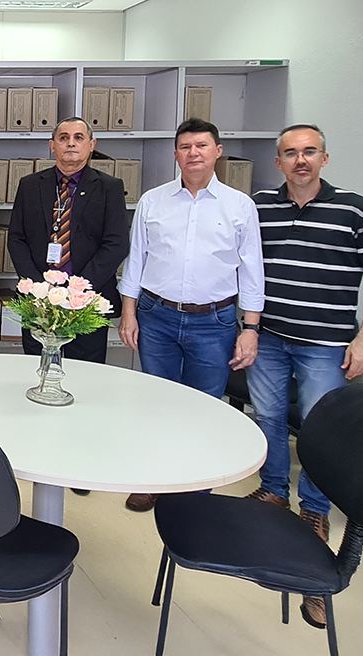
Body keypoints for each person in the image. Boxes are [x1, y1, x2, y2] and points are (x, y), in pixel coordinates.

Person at [245, 124, 363, 628]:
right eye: (290, 153)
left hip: (326, 342)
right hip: (269, 334)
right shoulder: (260, 205)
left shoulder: (356, 209)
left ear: (325, 158)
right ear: (277, 162)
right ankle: (273, 489)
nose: (299, 160)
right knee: (267, 414)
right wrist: (248, 327)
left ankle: (315, 508)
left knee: (320, 427)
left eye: (309, 152)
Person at [118, 118, 265, 512]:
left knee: (205, 408)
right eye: (185, 147)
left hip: (213, 322)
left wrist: (250, 328)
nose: (193, 153)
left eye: (201, 146)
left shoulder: (239, 205)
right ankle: (155, 478)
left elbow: (252, 271)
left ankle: (193, 493)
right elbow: (137, 260)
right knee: (157, 404)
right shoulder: (153, 201)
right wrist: (129, 312)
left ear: (218, 152)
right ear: (176, 154)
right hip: (157, 316)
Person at [8, 117, 130, 363]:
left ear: (91, 145)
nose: (71, 143)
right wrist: (38, 287)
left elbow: (117, 243)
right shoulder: (30, 185)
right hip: (39, 300)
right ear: (52, 146)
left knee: (84, 372)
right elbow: (16, 238)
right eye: (63, 138)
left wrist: (78, 288)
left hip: (88, 299)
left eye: (78, 138)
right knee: (37, 366)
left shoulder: (109, 187)